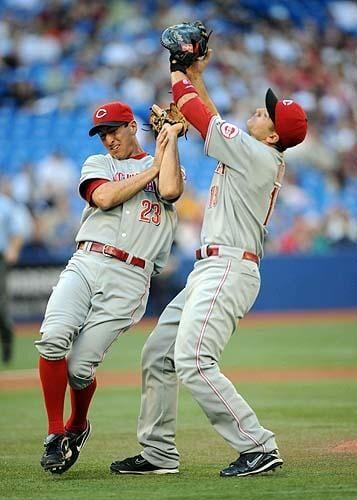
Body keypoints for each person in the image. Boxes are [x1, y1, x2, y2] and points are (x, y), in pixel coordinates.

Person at [110, 50, 307, 477]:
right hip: (212, 268)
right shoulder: (250, 151)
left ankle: (257, 444)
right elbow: (211, 116)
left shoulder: (257, 156)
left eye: (267, 113)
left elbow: (202, 117)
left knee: (195, 360)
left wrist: (179, 71)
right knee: (158, 353)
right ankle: (159, 453)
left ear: (272, 137)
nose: (259, 110)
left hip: (229, 267)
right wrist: (196, 76)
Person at [35, 100, 185, 474]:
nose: (108, 139)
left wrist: (169, 138)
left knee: (80, 369)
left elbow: (168, 191)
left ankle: (79, 425)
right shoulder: (98, 164)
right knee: (52, 338)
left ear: (133, 127)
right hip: (87, 260)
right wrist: (151, 166)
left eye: (114, 130)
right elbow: (102, 197)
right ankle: (56, 434)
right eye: (102, 133)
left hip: (131, 276)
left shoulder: (164, 164)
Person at [0, 189, 29, 364]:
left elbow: (18, 231)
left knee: (0, 305)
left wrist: (14, 249)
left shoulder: (4, 204)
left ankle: (7, 343)